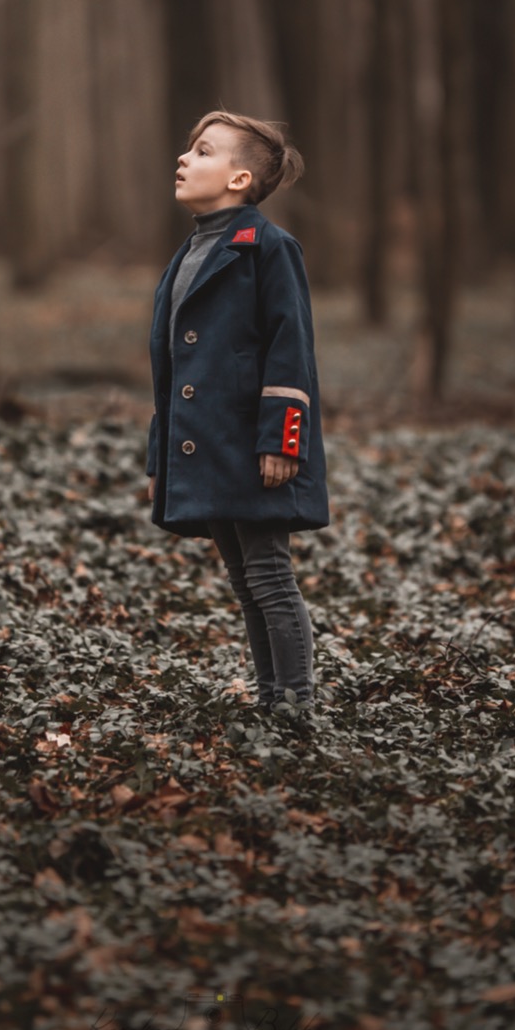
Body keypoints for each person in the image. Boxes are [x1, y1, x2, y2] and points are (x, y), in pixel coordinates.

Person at [144, 110, 329, 715]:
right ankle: (272, 698)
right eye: (189, 149)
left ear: (239, 178)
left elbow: (291, 348)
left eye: (202, 151)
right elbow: (172, 373)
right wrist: (161, 458)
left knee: (270, 576)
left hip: (253, 447)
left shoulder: (269, 249)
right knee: (245, 584)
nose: (184, 159)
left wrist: (283, 440)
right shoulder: (188, 254)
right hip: (209, 446)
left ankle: (294, 706)